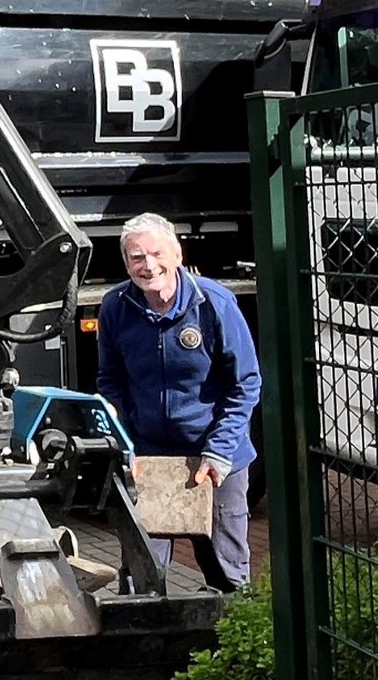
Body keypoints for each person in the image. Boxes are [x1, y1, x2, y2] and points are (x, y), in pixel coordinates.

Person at [95, 211, 261, 592]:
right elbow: (110, 382)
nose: (148, 265)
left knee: (228, 580)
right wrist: (124, 445)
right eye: (137, 258)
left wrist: (218, 452)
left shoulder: (215, 303)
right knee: (140, 581)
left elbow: (246, 384)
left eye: (156, 254)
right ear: (126, 263)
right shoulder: (115, 307)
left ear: (177, 255)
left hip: (217, 459)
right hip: (149, 460)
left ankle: (227, 649)